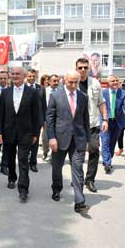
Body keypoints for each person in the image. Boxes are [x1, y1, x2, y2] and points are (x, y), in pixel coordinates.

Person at [46, 71, 90, 214]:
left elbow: (85, 120)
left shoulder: (83, 97)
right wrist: (51, 138)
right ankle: (57, 188)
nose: (73, 85)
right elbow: (50, 118)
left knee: (77, 169)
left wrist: (87, 140)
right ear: (64, 80)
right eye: (70, 82)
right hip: (59, 139)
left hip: (78, 139)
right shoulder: (55, 95)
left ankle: (79, 201)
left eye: (75, 82)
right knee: (57, 167)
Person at [0, 66, 40, 203]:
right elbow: (0, 115)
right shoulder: (5, 93)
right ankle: (11, 178)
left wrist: (35, 133)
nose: (14, 76)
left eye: (18, 74)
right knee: (9, 158)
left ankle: (23, 189)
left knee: (22, 160)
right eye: (13, 73)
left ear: (24, 76)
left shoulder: (32, 93)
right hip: (8, 131)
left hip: (25, 133)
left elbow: (36, 115)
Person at [76, 57, 108, 193]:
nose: (83, 70)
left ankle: (90, 180)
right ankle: (78, 179)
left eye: (85, 67)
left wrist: (105, 119)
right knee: (77, 154)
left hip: (93, 124)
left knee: (94, 150)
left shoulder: (95, 83)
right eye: (80, 67)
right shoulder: (71, 82)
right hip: (76, 126)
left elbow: (101, 102)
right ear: (76, 68)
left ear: (88, 68)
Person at [100, 75, 125, 173]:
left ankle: (108, 159)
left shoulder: (123, 92)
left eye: (117, 80)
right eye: (113, 81)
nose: (116, 82)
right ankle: (107, 163)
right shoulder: (103, 93)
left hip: (118, 122)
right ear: (108, 83)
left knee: (112, 142)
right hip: (105, 121)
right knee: (105, 141)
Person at [25, 69, 46, 173]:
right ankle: (24, 161)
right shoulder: (22, 87)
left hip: (37, 120)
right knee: (24, 142)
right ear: (26, 77)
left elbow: (44, 105)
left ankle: (33, 163)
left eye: (33, 76)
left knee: (35, 142)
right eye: (29, 76)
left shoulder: (41, 89)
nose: (31, 78)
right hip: (24, 119)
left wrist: (44, 120)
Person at [42, 74, 60, 162]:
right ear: (49, 82)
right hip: (46, 119)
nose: (56, 82)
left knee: (55, 138)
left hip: (57, 119)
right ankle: (45, 152)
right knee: (45, 138)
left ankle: (53, 156)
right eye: (54, 81)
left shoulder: (61, 92)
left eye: (57, 81)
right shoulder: (44, 91)